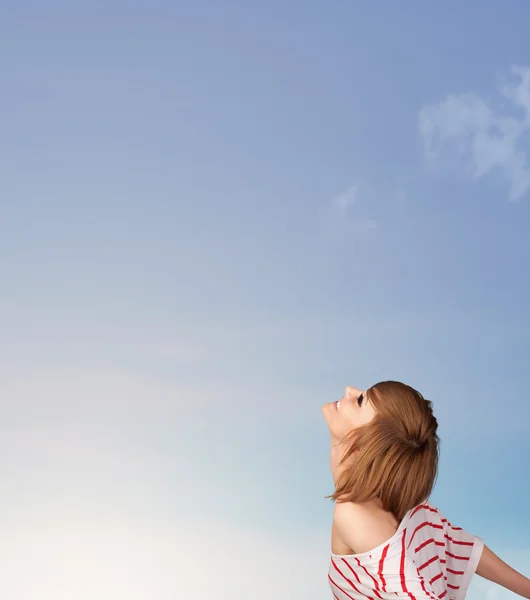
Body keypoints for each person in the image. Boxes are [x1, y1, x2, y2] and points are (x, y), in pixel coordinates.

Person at [322, 381, 530, 600]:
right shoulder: (399, 498)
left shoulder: (353, 514)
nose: (349, 390)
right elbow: (459, 545)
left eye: (360, 401)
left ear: (366, 444)